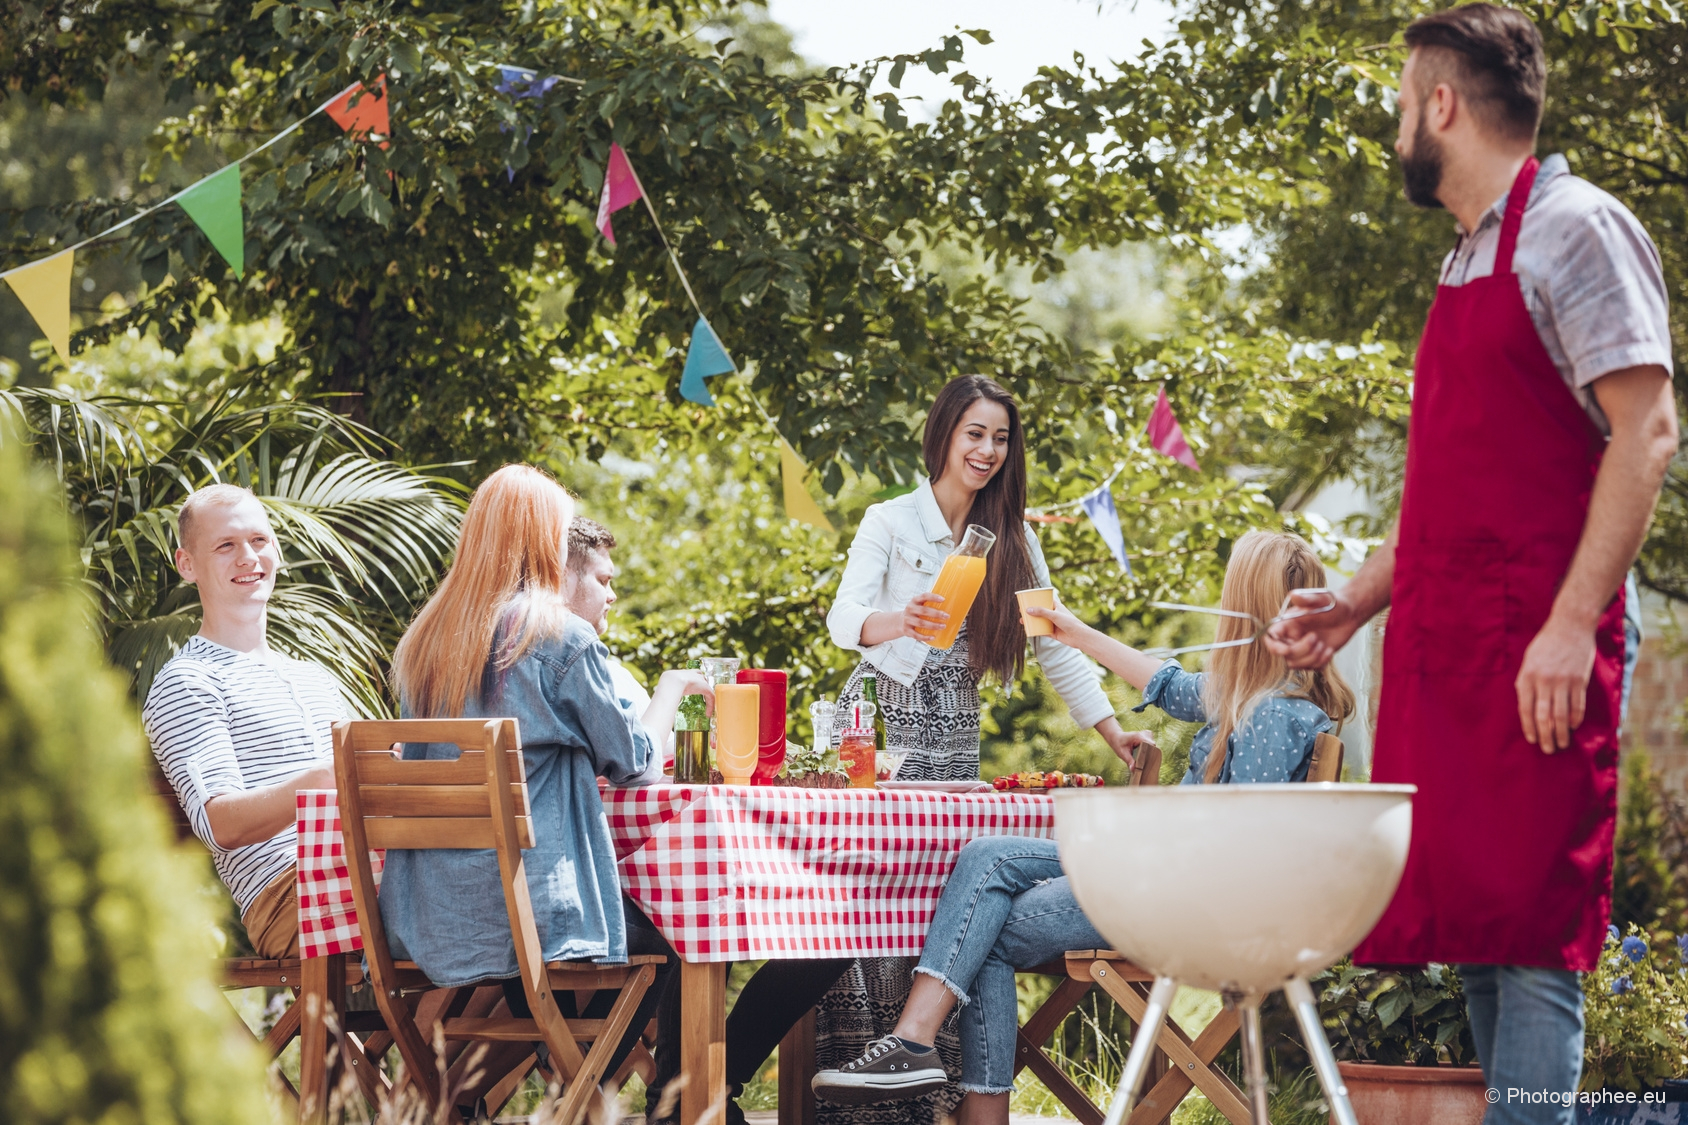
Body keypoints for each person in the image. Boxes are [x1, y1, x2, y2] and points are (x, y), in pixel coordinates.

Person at [1265, 7, 1678, 1121]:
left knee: (1535, 934)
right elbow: (1454, 479)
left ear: (1439, 105)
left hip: (1543, 634)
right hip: (1454, 633)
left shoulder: (1578, 230)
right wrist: (1355, 599)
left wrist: (1566, 623)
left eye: (1402, 103)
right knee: (1485, 933)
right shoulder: (1465, 255)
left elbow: (1644, 433)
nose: (1397, 126)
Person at [812, 531, 1355, 1125]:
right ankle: (916, 1046)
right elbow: (1168, 685)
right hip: (1159, 870)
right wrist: (1068, 628)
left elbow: (1239, 849)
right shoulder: (1252, 695)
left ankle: (947, 1077)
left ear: (1242, 611)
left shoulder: (1272, 715)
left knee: (982, 926)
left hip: (1184, 898)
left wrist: (1135, 834)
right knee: (986, 855)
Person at [816, 373, 1143, 1125]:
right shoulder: (891, 521)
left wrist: (1111, 729)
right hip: (888, 730)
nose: (988, 450)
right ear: (944, 436)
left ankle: (930, 1085)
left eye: (1000, 437)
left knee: (947, 899)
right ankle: (869, 1100)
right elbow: (843, 618)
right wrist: (899, 619)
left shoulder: (1014, 537)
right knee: (876, 907)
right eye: (975, 434)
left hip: (954, 733)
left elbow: (1056, 647)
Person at [379, 465, 706, 1090]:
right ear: (540, 539)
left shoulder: (426, 639)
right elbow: (635, 762)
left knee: (608, 944)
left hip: (432, 913)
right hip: (530, 916)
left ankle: (565, 1088)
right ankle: (599, 1098)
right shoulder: (556, 635)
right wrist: (669, 689)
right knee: (679, 937)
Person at [558, 513, 847, 1125]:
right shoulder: (568, 654)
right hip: (583, 892)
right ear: (562, 578)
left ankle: (693, 1092)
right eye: (604, 580)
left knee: (829, 924)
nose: (613, 593)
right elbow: (636, 762)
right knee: (687, 916)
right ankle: (688, 1096)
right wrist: (672, 689)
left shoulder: (573, 659)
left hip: (554, 886)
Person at [142, 484, 347, 959]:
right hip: (291, 896)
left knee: (509, 883)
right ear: (187, 565)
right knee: (478, 895)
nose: (248, 557)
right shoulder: (187, 682)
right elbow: (219, 823)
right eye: (225, 545)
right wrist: (323, 780)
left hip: (374, 872)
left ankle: (451, 1035)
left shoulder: (316, 679)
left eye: (259, 540)